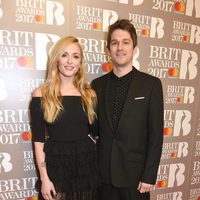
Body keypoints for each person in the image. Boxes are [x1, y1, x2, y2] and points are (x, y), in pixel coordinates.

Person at [91, 19, 164, 200]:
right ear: (108, 50)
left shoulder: (151, 85)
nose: (120, 48)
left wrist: (149, 175)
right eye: (114, 43)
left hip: (136, 179)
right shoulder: (97, 85)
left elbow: (156, 136)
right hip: (103, 177)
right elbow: (94, 129)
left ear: (134, 48)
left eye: (126, 42)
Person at [30, 36, 99, 200]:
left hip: (86, 165)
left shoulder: (89, 95)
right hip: (56, 165)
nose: (70, 61)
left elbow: (97, 134)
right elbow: (38, 140)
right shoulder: (41, 94)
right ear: (56, 59)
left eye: (75, 56)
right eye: (64, 55)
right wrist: (44, 178)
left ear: (80, 63)